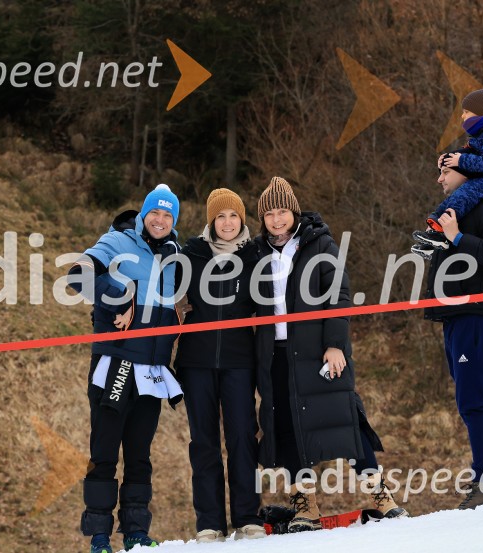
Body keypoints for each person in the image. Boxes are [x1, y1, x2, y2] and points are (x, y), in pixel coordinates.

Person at [253, 177, 407, 532]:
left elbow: (339, 293)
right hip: (275, 355)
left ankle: (381, 495)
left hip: (318, 350)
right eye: (269, 213)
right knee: (287, 428)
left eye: (282, 211)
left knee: (345, 419)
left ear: (294, 211)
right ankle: (305, 504)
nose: (277, 220)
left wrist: (335, 344)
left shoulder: (319, 242)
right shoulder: (257, 251)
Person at [69, 184, 184, 553]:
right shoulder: (117, 241)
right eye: (155, 213)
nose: (160, 220)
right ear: (143, 214)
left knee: (139, 453)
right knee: (104, 451)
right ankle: (99, 535)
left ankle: (135, 531)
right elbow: (77, 274)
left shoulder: (176, 255)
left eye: (168, 215)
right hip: (116, 364)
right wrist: (120, 294)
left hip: (152, 371)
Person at [423, 161, 483, 509]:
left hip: (476, 314)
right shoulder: (462, 210)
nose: (440, 178)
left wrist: (458, 238)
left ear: (467, 174)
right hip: (458, 314)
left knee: (475, 402)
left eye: (446, 170)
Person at [174, 189, 264, 543]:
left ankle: (248, 517)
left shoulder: (254, 255)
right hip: (196, 363)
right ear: (211, 221)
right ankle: (209, 523)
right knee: (204, 441)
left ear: (242, 220)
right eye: (220, 217)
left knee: (242, 435)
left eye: (233, 216)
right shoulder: (191, 254)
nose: (227, 223)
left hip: (240, 362)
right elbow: (169, 296)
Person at [413, 88, 483, 256]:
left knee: (466, 193)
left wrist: (460, 160)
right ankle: (435, 230)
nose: (462, 116)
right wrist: (448, 157)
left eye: (466, 112)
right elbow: (471, 152)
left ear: (481, 114)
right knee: (457, 198)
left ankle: (440, 231)